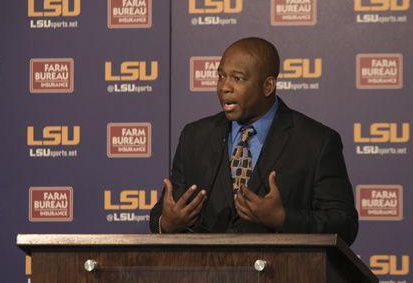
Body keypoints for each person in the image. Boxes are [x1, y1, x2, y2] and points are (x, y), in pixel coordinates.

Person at [149, 37, 358, 244]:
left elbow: (344, 224)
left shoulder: (316, 142)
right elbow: (164, 212)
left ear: (268, 86)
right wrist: (167, 223)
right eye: (221, 76)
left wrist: (283, 219)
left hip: (282, 274)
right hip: (208, 274)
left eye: (237, 78)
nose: (224, 87)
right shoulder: (194, 137)